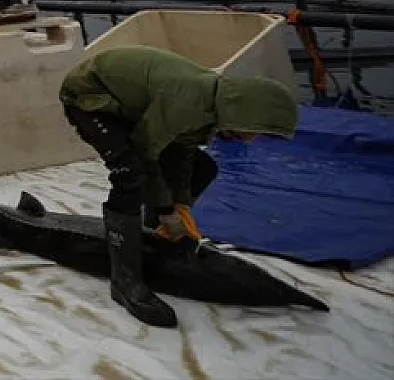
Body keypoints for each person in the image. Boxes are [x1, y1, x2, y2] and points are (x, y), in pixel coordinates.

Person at [59, 45, 299, 328]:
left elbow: (181, 154)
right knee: (130, 174)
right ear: (244, 114)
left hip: (135, 105)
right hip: (91, 97)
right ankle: (125, 282)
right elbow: (146, 150)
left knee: (204, 167)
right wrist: (165, 208)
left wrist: (180, 204)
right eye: (256, 132)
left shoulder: (213, 107)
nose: (252, 140)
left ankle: (153, 236)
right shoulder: (188, 101)